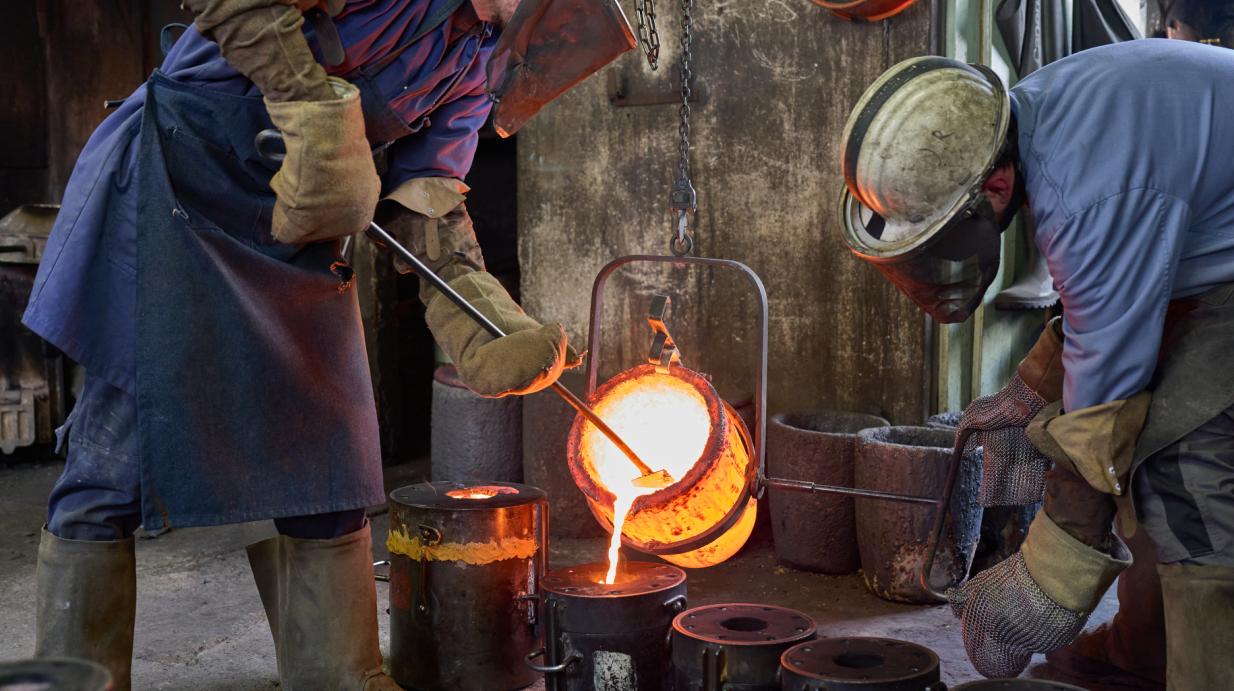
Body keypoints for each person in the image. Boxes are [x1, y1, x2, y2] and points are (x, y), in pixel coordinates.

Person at [22, 1, 631, 688]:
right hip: (179, 188)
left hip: (290, 229)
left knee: (329, 453)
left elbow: (427, 197)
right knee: (114, 462)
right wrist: (313, 108)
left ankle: (339, 674)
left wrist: (477, 314)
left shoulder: (470, 62)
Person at [838, 41, 1234, 689]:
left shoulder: (1087, 194)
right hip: (1214, 240)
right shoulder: (1026, 120)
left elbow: (1102, 415)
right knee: (1144, 445)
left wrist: (1049, 574)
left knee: (1188, 469)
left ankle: (1209, 669)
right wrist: (1031, 388)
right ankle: (1145, 648)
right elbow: (1106, 298)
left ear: (994, 185)